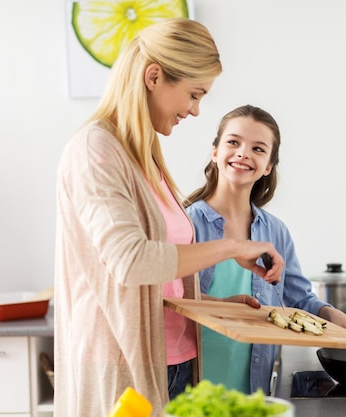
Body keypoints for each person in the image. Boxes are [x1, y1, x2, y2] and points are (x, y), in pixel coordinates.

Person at [54, 21, 284, 417]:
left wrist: (214, 305)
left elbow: (159, 281)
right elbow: (132, 261)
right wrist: (232, 247)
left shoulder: (144, 156)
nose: (195, 110)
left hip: (175, 362)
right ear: (154, 76)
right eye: (194, 94)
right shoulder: (95, 150)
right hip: (122, 363)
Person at [184, 104, 346, 395]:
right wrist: (218, 306)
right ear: (215, 151)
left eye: (258, 148)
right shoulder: (187, 224)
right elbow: (167, 300)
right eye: (233, 142)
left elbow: (295, 299)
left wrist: (330, 314)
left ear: (268, 166)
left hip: (254, 389)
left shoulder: (275, 231)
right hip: (193, 386)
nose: (243, 153)